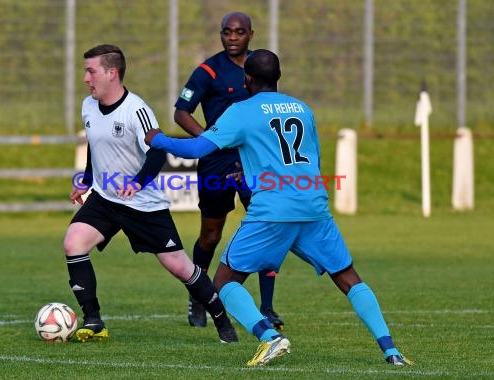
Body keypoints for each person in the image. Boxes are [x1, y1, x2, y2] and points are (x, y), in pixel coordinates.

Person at [145, 49, 413, 367]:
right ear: (278, 77)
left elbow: (198, 148)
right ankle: (391, 351)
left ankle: (270, 338)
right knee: (347, 277)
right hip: (313, 204)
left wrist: (159, 139)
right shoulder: (303, 109)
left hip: (273, 209)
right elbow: (307, 157)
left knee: (224, 283)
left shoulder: (240, 111)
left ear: (247, 79)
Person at [63, 44, 238, 344]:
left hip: (142, 205)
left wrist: (137, 182)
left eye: (91, 71)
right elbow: (95, 144)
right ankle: (93, 320)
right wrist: (87, 179)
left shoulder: (137, 110)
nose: (86, 78)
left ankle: (223, 322)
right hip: (105, 198)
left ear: (111, 73)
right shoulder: (88, 106)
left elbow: (157, 152)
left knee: (180, 267)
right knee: (73, 243)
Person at [174, 11, 284, 330]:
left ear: (251, 34)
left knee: (266, 227)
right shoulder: (208, 70)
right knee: (210, 235)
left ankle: (267, 306)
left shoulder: (259, 69)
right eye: (226, 32)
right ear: (221, 35)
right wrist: (208, 141)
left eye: (239, 32)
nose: (232, 37)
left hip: (254, 159)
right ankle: (198, 298)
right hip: (217, 163)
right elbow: (181, 112)